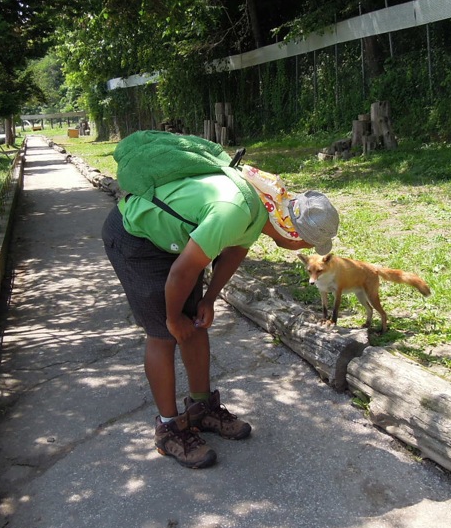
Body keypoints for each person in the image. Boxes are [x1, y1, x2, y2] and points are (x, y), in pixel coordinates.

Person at [101, 162, 340, 469]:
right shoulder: (235, 211)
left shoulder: (263, 209)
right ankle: (168, 429)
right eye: (310, 243)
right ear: (296, 235)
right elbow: (182, 273)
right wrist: (173, 318)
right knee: (164, 334)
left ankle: (201, 408)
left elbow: (234, 253)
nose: (310, 249)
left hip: (172, 240)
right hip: (135, 238)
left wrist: (209, 299)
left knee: (195, 325)